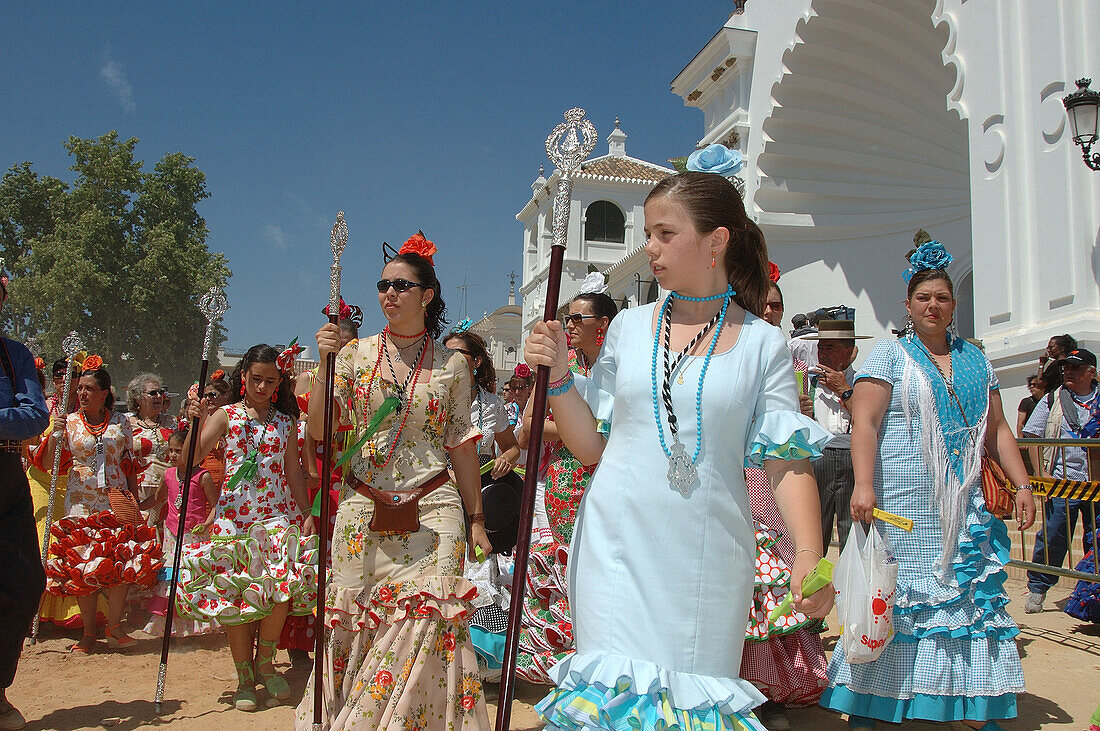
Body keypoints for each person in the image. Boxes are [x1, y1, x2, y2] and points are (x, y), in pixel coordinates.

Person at [525, 170, 833, 731]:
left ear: (716, 241)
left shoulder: (765, 344)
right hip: (614, 542)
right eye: (648, 233)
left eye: (665, 233)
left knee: (690, 702)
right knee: (609, 696)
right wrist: (561, 380)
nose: (650, 248)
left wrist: (810, 557)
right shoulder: (627, 328)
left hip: (709, 553)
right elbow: (591, 447)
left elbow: (787, 462)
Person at [819, 239, 1037, 730]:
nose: (933, 305)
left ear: (953, 304)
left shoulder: (977, 361)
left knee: (966, 600)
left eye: (942, 297)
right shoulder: (889, 356)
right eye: (924, 298)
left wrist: (1023, 485)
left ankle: (973, 704)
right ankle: (870, 704)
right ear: (908, 305)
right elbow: (866, 423)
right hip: (902, 502)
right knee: (898, 598)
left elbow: (998, 429)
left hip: (965, 504)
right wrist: (863, 486)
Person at [295, 232, 492, 730]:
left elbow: (461, 445)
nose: (389, 294)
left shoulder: (453, 364)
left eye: (402, 286)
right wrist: (324, 363)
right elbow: (319, 429)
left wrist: (476, 519)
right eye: (383, 285)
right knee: (357, 618)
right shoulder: (353, 354)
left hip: (435, 508)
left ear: (426, 295)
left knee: (431, 614)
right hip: (363, 508)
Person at [175, 344, 318, 711]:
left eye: (270, 381)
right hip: (233, 521)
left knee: (278, 596)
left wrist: (305, 512)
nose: (262, 387)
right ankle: (243, 676)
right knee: (236, 599)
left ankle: (266, 665)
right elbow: (186, 462)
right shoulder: (225, 416)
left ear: (278, 382)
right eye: (256, 379)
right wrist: (196, 422)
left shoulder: (287, 421)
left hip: (277, 518)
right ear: (244, 377)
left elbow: (292, 471)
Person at [512, 287, 619, 686]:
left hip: (612, 476)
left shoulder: (621, 364)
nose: (569, 326)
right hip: (567, 480)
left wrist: (575, 424)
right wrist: (581, 428)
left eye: (578, 319)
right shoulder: (563, 364)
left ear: (603, 325)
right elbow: (530, 421)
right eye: (568, 318)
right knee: (567, 569)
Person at [740, 276, 829, 730]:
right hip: (732, 478)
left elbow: (792, 430)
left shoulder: (787, 358)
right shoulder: (733, 347)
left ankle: (766, 688)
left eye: (778, 305)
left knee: (771, 578)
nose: (772, 312)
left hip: (772, 474)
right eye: (765, 304)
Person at [42, 359, 163, 654]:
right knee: (84, 565)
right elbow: (48, 464)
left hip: (116, 500)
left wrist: (135, 503)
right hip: (80, 504)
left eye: (89, 389)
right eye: (80, 388)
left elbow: (130, 464)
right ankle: (87, 632)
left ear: (104, 392)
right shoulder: (67, 422)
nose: (82, 394)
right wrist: (54, 435)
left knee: (119, 564)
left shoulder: (120, 422)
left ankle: (114, 627)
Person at [1021, 347, 1100, 614]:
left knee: (1096, 541)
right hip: (1062, 483)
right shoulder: (1052, 399)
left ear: (1091, 373)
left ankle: (1091, 597)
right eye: (1066, 368)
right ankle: (1037, 590)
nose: (1068, 372)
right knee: (1053, 537)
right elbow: (1032, 435)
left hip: (1097, 487)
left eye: (1075, 368)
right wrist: (1042, 476)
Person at [0, 313, 50, 729]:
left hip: (6, 472)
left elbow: (35, 417)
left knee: (24, 581)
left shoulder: (12, 355)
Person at [804, 317, 871, 555]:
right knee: (814, 529)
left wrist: (845, 391)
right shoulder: (809, 383)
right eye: (820, 348)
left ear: (849, 352)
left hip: (853, 460)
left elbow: (868, 421)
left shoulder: (863, 382)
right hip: (818, 460)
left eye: (829, 348)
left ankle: (851, 588)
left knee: (853, 531)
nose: (822, 354)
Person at [143, 428, 218, 637]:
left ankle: (198, 626)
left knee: (192, 578)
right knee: (171, 579)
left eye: (178, 451)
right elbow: (158, 498)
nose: (173, 455)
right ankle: (171, 626)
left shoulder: (203, 477)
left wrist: (206, 524)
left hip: (194, 537)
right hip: (172, 535)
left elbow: (215, 506)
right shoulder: (168, 474)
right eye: (171, 450)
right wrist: (137, 506)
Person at [444, 329, 521, 477]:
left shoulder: (491, 404)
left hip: (481, 484)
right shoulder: (434, 399)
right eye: (445, 354)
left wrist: (504, 459)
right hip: (442, 486)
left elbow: (512, 447)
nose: (449, 359)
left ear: (476, 361)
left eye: (456, 353)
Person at [126, 373, 173, 531]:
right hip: (138, 492)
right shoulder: (125, 423)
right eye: (153, 393)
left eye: (161, 392)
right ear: (138, 398)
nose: (159, 396)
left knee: (163, 538)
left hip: (166, 492)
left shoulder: (173, 422)